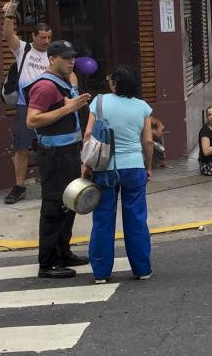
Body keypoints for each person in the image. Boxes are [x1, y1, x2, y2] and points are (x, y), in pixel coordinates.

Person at [24, 40, 91, 279]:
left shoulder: (63, 81)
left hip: (69, 153)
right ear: (52, 59)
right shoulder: (45, 86)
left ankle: (63, 252)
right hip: (54, 156)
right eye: (65, 58)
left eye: (72, 57)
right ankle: (48, 262)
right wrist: (69, 107)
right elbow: (32, 121)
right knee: (53, 207)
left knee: (69, 203)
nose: (71, 61)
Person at [84, 65, 153, 283]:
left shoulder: (100, 102)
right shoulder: (143, 107)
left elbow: (88, 134)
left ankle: (101, 273)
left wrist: (86, 164)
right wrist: (147, 166)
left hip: (104, 167)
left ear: (115, 83)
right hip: (133, 166)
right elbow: (148, 141)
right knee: (136, 219)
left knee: (103, 219)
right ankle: (142, 269)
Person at [3, 0, 60, 205]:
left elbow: (67, 73)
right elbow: (8, 36)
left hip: (50, 107)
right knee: (21, 147)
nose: (46, 41)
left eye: (49, 37)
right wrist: (9, 16)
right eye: (43, 37)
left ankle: (50, 184)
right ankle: (19, 186)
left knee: (50, 146)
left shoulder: (55, 55)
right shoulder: (24, 49)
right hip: (25, 106)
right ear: (34, 36)